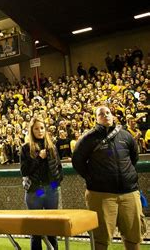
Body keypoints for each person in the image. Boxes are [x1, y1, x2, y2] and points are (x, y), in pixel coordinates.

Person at [72, 105, 142, 250]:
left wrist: (127, 176)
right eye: (101, 114)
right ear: (96, 119)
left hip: (129, 192)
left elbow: (134, 157)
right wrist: (93, 179)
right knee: (100, 240)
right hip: (101, 194)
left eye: (108, 113)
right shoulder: (88, 138)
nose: (106, 116)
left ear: (113, 115)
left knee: (133, 238)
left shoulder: (125, 135)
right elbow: (77, 162)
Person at [20, 116, 63, 250]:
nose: (40, 131)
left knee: (52, 230)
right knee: (36, 231)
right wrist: (39, 158)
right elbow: (24, 171)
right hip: (36, 192)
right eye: (36, 129)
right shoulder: (26, 148)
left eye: (42, 128)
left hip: (51, 190)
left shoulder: (52, 146)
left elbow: (59, 169)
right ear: (31, 131)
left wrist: (55, 184)